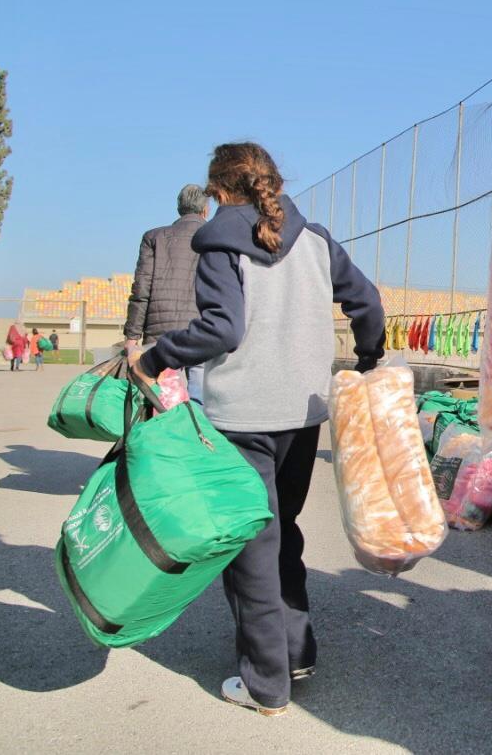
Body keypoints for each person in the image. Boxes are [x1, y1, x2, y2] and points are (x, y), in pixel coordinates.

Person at [132, 142, 384, 716]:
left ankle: (267, 682)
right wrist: (369, 357)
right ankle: (295, 649)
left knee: (251, 545)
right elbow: (366, 300)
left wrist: (157, 357)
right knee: (282, 530)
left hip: (243, 416)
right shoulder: (316, 239)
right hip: (302, 413)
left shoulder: (218, 241)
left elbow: (223, 328)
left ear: (220, 191)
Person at [123, 184, 212, 402]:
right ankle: (193, 436)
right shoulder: (215, 236)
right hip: (201, 332)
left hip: (159, 334)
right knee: (198, 404)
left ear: (179, 208)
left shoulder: (154, 237)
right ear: (205, 210)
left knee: (159, 403)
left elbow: (141, 288)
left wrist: (132, 335)